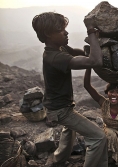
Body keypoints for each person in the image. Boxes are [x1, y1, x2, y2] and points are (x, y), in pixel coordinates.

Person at [32, 12, 108, 167]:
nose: (66, 32)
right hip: (60, 110)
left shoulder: (58, 48)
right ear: (48, 34)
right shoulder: (55, 57)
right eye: (61, 30)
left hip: (58, 106)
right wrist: (91, 31)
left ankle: (59, 159)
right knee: (99, 137)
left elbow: (77, 53)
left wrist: (90, 50)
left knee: (69, 130)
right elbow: (95, 61)